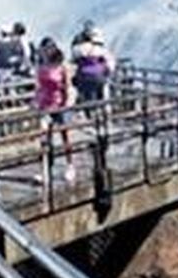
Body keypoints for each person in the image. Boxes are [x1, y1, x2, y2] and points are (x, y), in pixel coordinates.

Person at [33, 38, 77, 184]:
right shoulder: (40, 66)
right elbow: (39, 86)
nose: (45, 52)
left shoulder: (62, 66)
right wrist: (35, 101)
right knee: (44, 138)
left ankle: (70, 166)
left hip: (60, 104)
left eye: (47, 49)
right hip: (44, 105)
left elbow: (67, 86)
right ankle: (45, 170)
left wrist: (65, 105)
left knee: (65, 137)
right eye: (43, 50)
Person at [72, 21, 116, 105]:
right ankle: (103, 108)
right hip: (100, 76)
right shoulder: (101, 50)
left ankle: (87, 107)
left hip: (84, 76)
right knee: (102, 93)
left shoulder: (78, 49)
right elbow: (110, 64)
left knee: (85, 93)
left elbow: (74, 60)